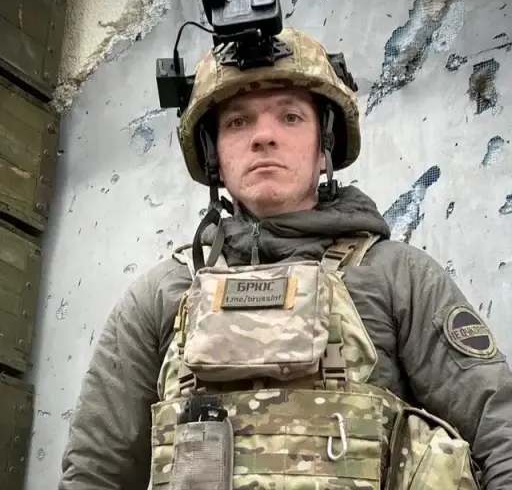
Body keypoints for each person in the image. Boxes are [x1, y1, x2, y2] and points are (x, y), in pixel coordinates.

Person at [58, 26, 512, 490]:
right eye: (238, 122)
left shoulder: (397, 277)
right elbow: (95, 473)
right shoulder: (161, 296)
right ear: (214, 155)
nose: (264, 137)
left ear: (325, 144)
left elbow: (501, 438)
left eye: (290, 117)